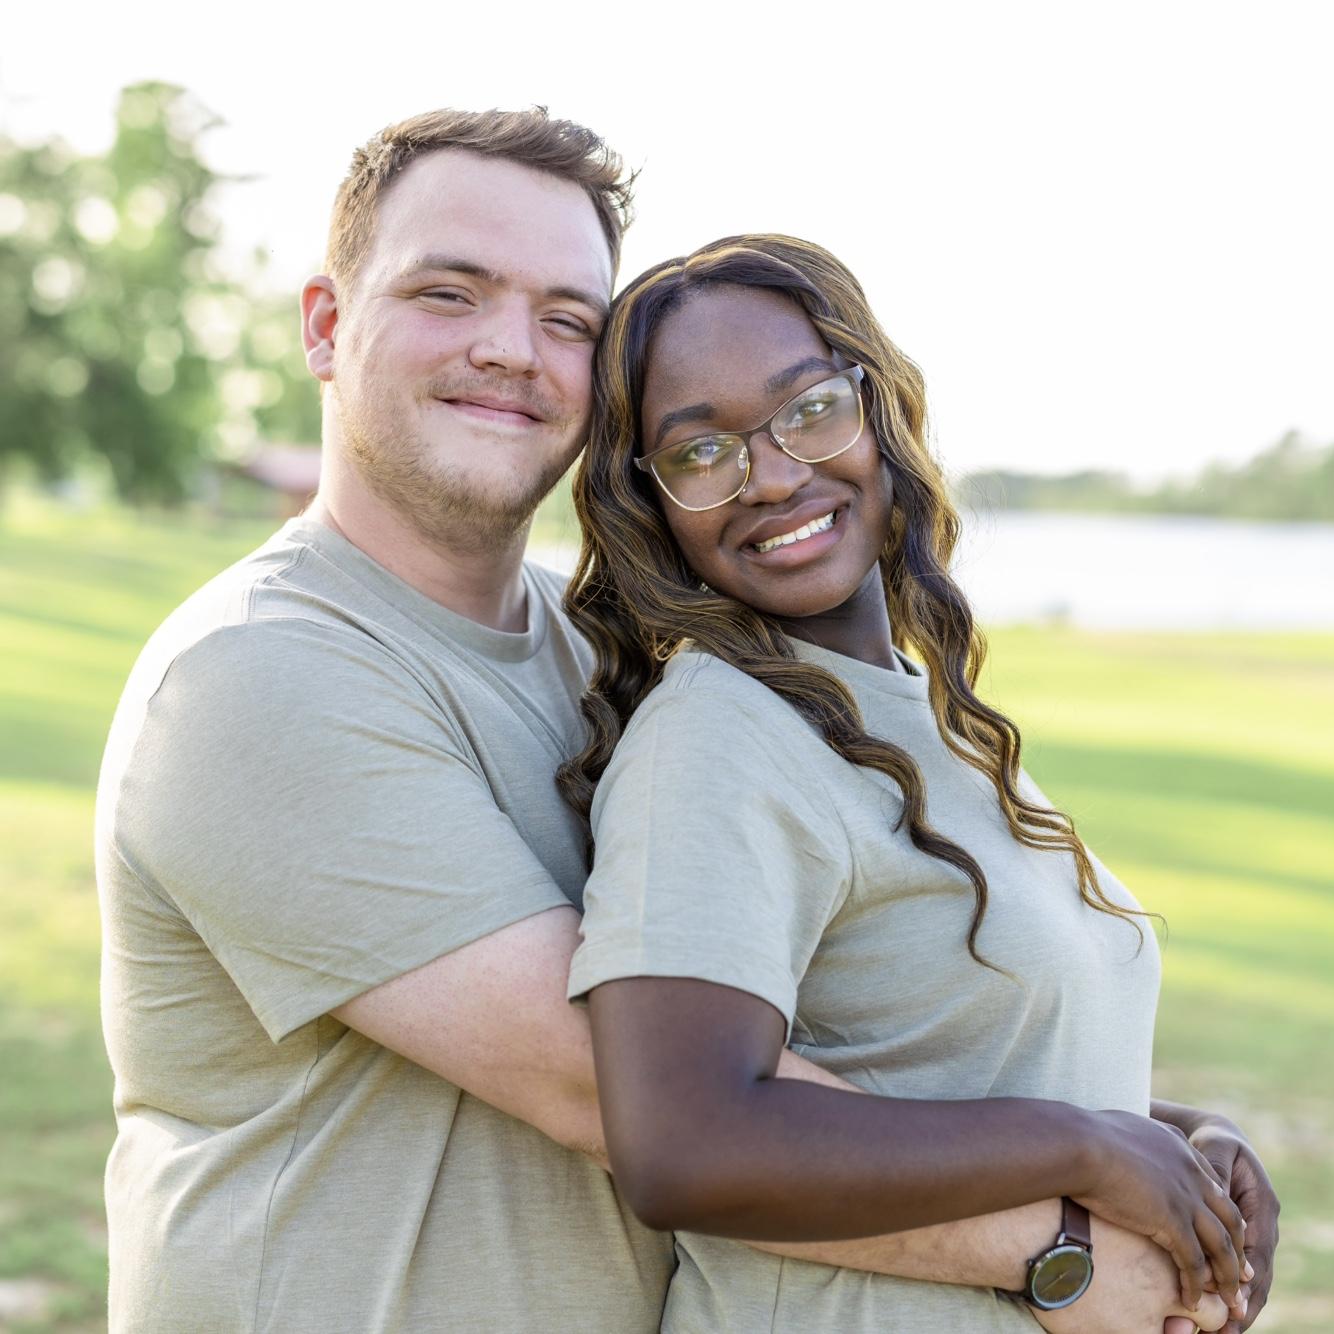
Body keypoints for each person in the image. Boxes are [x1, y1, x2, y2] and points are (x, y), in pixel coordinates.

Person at [94, 106, 1275, 1332]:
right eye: (448, 292)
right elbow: (627, 1097)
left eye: (566, 317)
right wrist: (1066, 1241)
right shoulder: (258, 676)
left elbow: (833, 1030)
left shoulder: (604, 659)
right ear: (326, 324)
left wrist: (1150, 1136)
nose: (510, 349)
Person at [558, 232, 1281, 1333]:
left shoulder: (915, 707)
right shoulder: (715, 738)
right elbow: (685, 1144)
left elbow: (946, 1064)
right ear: (650, 501)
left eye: (810, 410)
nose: (775, 476)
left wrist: (1175, 1138)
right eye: (700, 453)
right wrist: (1082, 1147)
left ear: (879, 406)